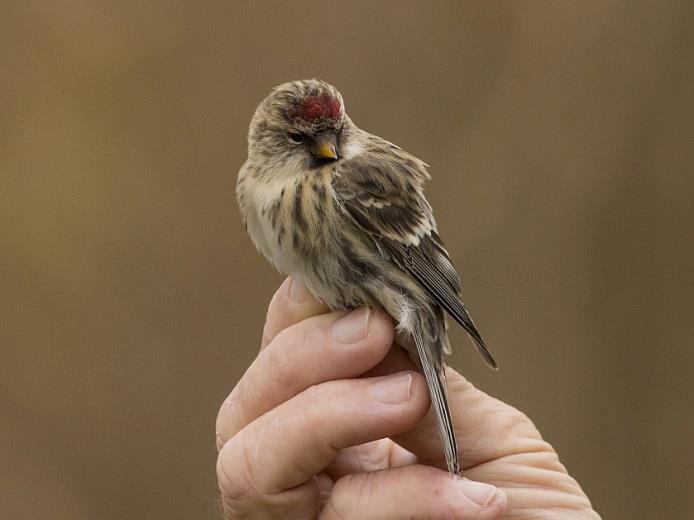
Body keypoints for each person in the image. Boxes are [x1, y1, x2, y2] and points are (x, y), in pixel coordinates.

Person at [215, 278, 600, 519]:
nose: (327, 151)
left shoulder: (352, 180)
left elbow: (412, 253)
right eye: (300, 140)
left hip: (408, 293)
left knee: (375, 353)